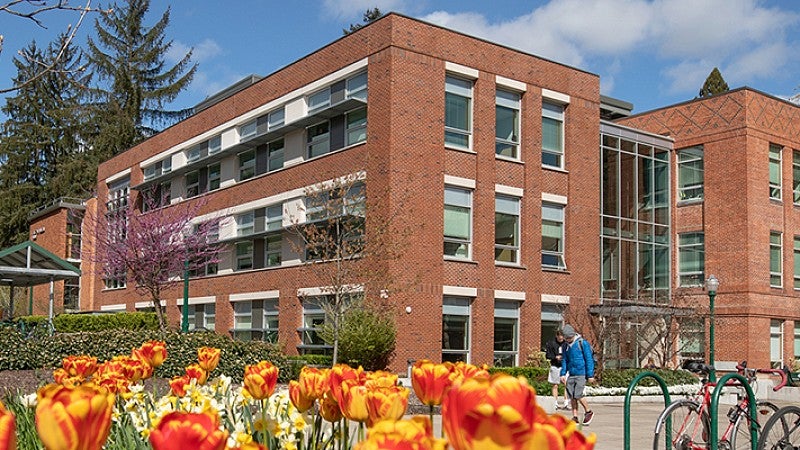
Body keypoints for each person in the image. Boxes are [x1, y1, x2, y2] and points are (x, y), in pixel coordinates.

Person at [560, 324, 595, 425]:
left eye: (569, 338)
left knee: (578, 394)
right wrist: (563, 373)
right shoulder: (566, 346)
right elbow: (565, 360)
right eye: (566, 338)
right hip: (572, 373)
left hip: (581, 373)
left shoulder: (582, 343)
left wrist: (590, 375)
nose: (568, 340)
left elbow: (589, 359)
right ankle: (575, 416)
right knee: (572, 395)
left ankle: (588, 411)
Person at [544, 329, 570, 410]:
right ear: (557, 336)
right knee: (555, 385)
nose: (561, 339)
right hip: (555, 366)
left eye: (562, 338)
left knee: (566, 384)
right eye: (560, 338)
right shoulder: (551, 343)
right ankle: (555, 403)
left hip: (565, 366)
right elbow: (547, 355)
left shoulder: (566, 344)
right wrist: (555, 357)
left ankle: (566, 403)